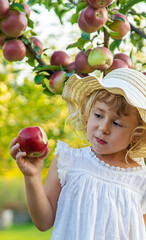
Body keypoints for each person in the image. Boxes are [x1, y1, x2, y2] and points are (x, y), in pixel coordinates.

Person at [10, 68, 146, 240]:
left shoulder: (141, 180)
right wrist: (32, 176)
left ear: (136, 135)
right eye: (98, 115)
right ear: (88, 114)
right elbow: (43, 222)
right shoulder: (69, 161)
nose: (103, 128)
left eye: (117, 123)